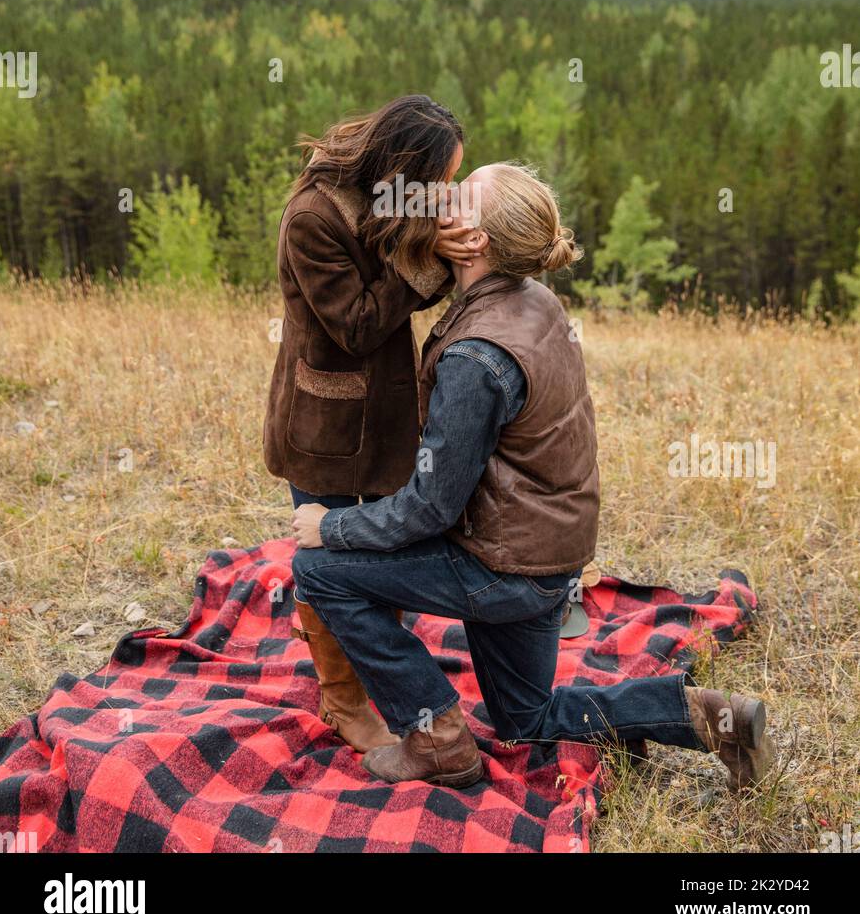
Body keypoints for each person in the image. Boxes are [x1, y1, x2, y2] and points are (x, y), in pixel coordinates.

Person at [291, 162, 776, 792]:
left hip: (503, 568)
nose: (437, 199)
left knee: (318, 572)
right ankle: (710, 717)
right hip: (551, 560)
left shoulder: (476, 356)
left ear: (475, 239)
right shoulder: (536, 301)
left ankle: (435, 736)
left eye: (457, 197)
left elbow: (430, 510)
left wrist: (332, 524)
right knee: (524, 717)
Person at [263, 94, 472, 752]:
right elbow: (355, 325)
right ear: (402, 167)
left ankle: (382, 668)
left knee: (382, 544)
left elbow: (402, 278)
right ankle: (343, 699)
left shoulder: (389, 193)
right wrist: (426, 258)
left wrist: (438, 242)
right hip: (322, 418)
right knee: (323, 548)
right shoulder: (313, 218)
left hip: (386, 404)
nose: (440, 195)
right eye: (435, 183)